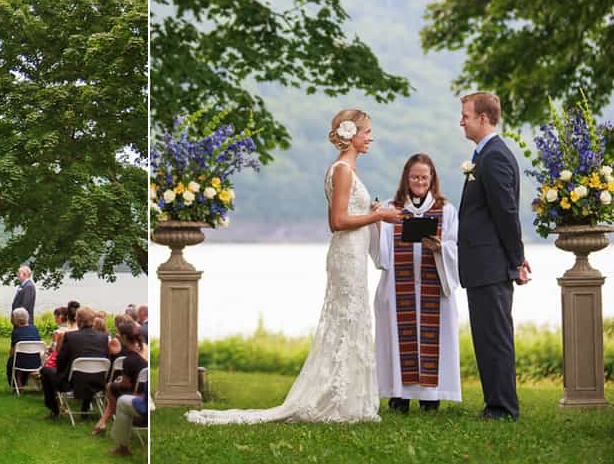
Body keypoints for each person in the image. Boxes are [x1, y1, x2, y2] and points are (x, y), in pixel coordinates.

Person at [187, 109, 401, 424]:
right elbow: (337, 221)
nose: (370, 137)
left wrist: (370, 211)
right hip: (346, 254)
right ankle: (337, 400)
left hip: (352, 253)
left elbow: (349, 214)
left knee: (352, 322)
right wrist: (378, 216)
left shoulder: (347, 170)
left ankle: (348, 398)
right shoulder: (342, 169)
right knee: (346, 320)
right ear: (351, 134)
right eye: (367, 131)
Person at [371, 153, 461, 413]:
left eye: (424, 177)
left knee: (432, 339)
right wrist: (377, 222)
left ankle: (429, 398)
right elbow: (381, 254)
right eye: (414, 177)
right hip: (398, 289)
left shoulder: (446, 209)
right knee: (398, 340)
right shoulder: (392, 208)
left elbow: (455, 247)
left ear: (432, 179)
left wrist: (439, 248)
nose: (419, 181)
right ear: (406, 179)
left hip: (435, 288)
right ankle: (399, 396)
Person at [458, 92, 529, 420]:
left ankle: (502, 408)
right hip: (482, 265)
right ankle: (495, 404)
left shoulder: (494, 157)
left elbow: (506, 213)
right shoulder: (483, 156)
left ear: (483, 118)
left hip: (491, 265)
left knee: (495, 338)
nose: (462, 121)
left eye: (466, 116)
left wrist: (517, 260)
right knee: (486, 337)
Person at [41, 307, 109, 420]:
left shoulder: (70, 336)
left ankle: (54, 409)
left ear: (78, 320)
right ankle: (84, 409)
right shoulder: (103, 337)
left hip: (72, 383)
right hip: (97, 382)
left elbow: (60, 360)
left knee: (45, 370)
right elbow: (106, 359)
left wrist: (62, 372)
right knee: (88, 373)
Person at [93, 319, 148, 436]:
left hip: (137, 394)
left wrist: (118, 381)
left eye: (118, 333)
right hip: (145, 390)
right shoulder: (145, 348)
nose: (116, 335)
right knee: (112, 387)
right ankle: (102, 422)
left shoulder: (130, 359)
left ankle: (103, 422)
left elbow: (125, 384)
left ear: (123, 336)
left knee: (110, 387)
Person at [6, 308, 42, 388]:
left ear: (15, 319)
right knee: (23, 359)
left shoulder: (16, 332)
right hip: (36, 362)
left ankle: (16, 385)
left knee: (11, 362)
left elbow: (12, 352)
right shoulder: (34, 329)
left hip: (20, 362)